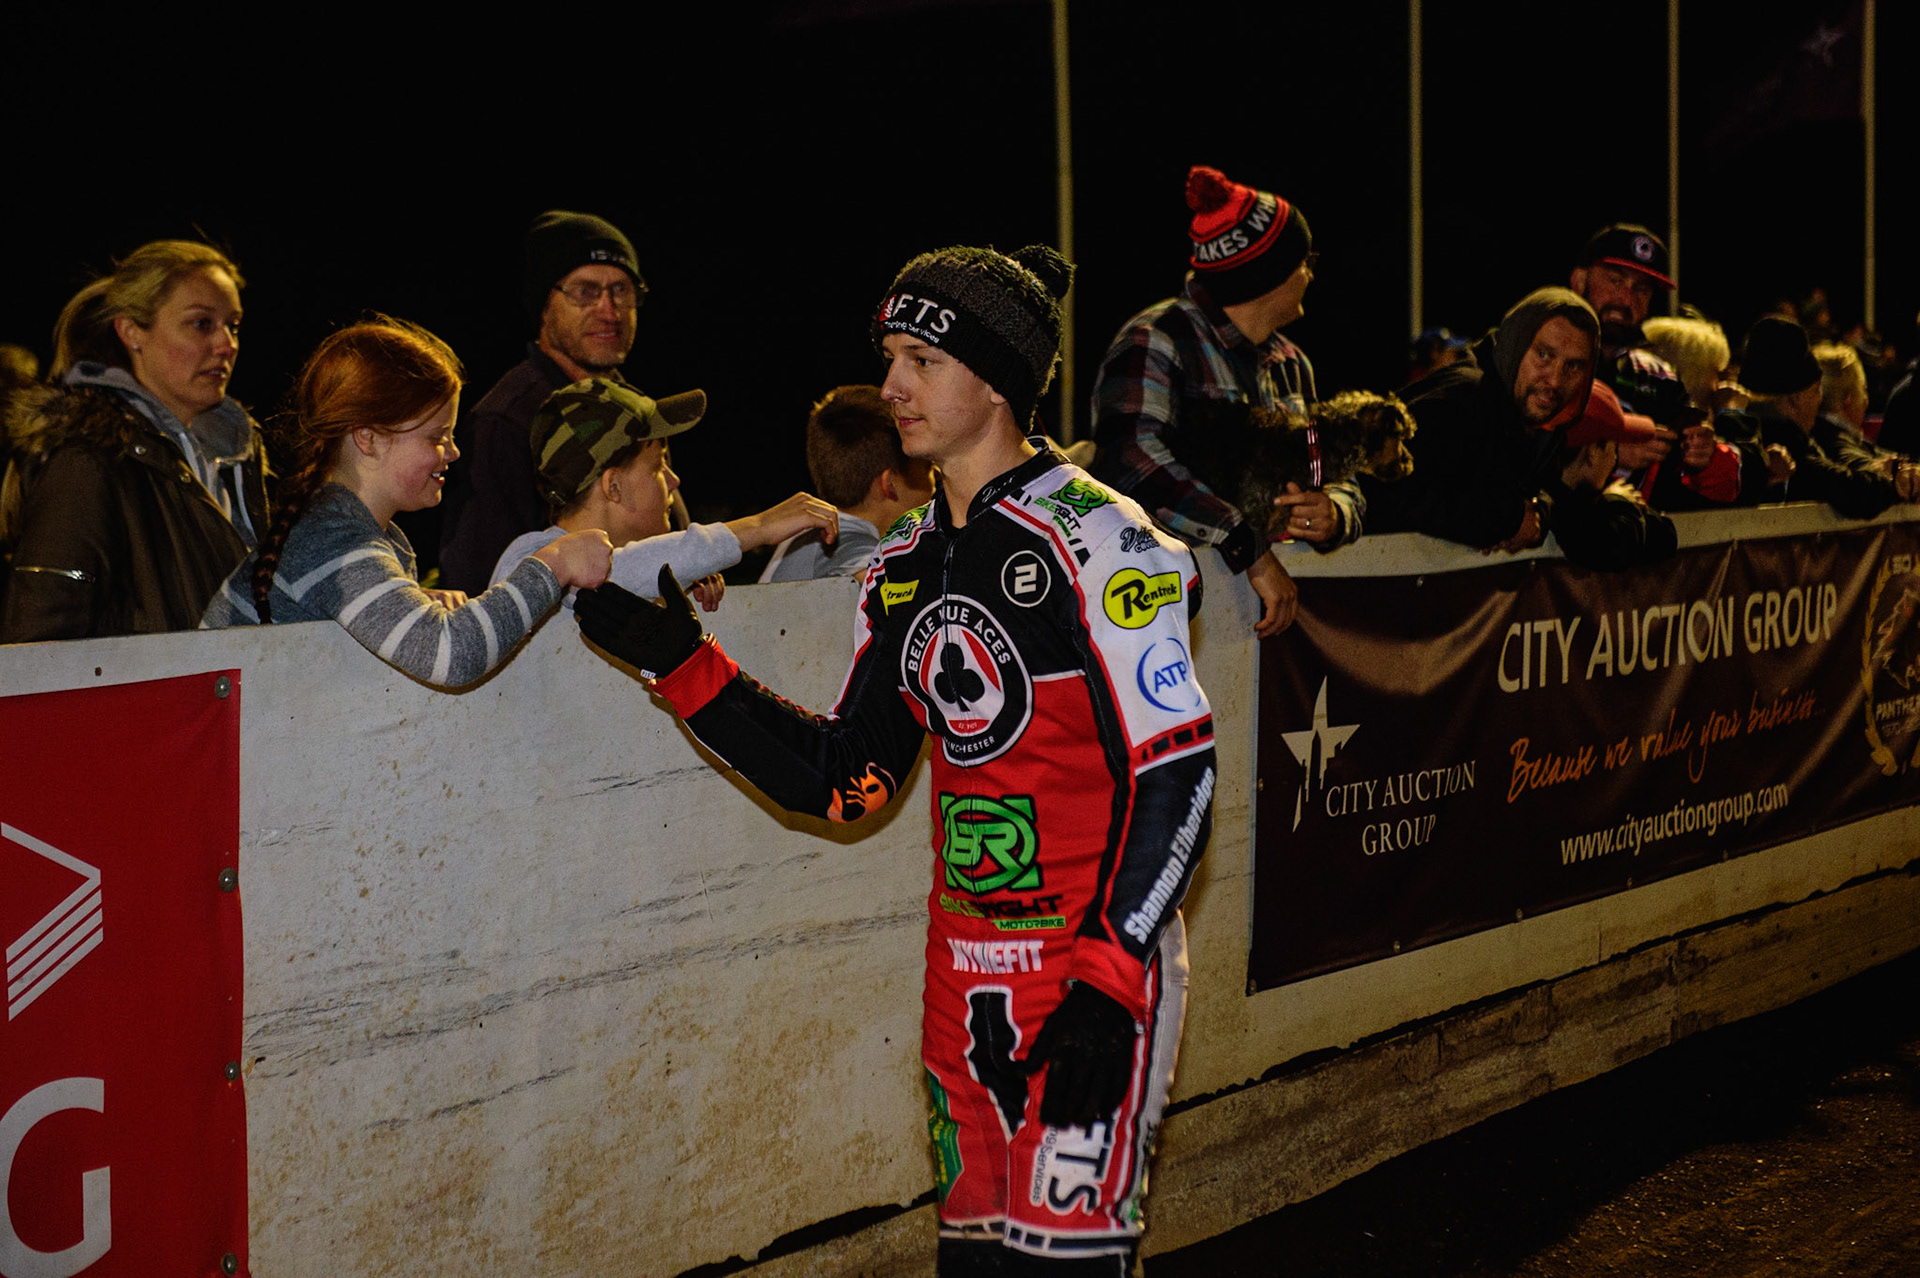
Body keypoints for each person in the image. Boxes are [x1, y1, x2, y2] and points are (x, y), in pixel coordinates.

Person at [574, 245, 1215, 1276]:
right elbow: (843, 778)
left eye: (921, 356)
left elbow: (1178, 773)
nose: (891, 385)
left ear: (997, 376)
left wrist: (1108, 976)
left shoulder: (1107, 542)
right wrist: (684, 665)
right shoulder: (905, 561)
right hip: (963, 987)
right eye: (890, 355)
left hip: (1091, 972)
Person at [202, 318, 612, 686]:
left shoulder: (350, 533)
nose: (452, 452)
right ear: (368, 438)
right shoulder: (332, 541)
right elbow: (449, 655)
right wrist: (553, 564)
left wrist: (413, 606)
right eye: (436, 437)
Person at [1090, 165, 1360, 639]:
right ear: (1268, 276)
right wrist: (1244, 543)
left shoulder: (1293, 363)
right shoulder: (1156, 339)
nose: (1311, 273)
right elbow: (1129, 463)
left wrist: (1334, 510)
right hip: (1167, 626)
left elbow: (1335, 469)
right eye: (1304, 261)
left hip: (1270, 644)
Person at [2, 240, 268, 642]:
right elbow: (40, 641)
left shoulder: (237, 460)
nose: (226, 344)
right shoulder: (88, 460)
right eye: (201, 324)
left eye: (233, 326)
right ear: (131, 332)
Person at [438, 210, 647, 593]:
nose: (609, 311)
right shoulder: (507, 420)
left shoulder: (639, 409)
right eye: (585, 292)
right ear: (544, 306)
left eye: (621, 290)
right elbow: (477, 582)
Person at [489, 377, 837, 599]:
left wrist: (679, 586)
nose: (673, 481)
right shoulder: (527, 560)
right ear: (613, 487)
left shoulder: (637, 575)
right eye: (658, 467)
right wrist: (757, 528)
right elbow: (608, 574)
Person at [1367, 288, 1600, 552]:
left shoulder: (1540, 422)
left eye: (1574, 366)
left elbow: (1539, 495)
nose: (1555, 380)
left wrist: (1537, 512)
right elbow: (1380, 493)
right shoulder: (1460, 400)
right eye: (1544, 355)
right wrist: (1506, 520)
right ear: (1516, 343)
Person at [1717, 317, 1918, 518]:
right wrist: (1888, 480)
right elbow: (1851, 490)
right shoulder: (1784, 437)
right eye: (1815, 391)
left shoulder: (1749, 429)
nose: (1819, 400)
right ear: (1795, 399)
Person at [760, 383, 936, 581]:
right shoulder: (848, 547)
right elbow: (879, 584)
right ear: (889, 484)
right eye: (927, 469)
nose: (936, 485)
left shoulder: (803, 536)